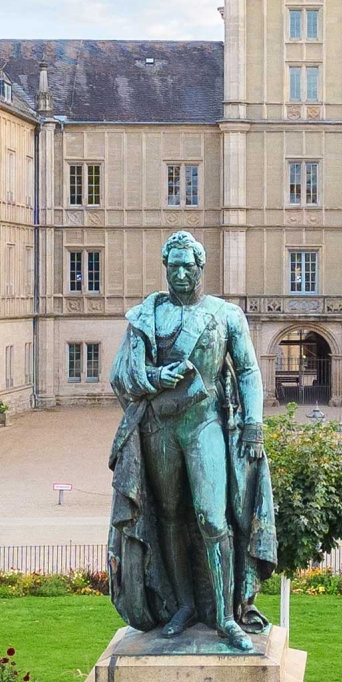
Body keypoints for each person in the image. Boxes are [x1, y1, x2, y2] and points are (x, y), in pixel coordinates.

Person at [105, 231, 277, 650]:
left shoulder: (226, 314)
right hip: (158, 428)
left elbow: (250, 371)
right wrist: (152, 377)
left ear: (201, 267)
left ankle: (224, 616)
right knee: (168, 516)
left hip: (205, 425)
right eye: (173, 266)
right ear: (166, 268)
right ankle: (181, 604)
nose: (180, 274)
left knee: (212, 517)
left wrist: (253, 423)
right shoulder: (147, 315)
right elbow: (119, 373)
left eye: (188, 266)